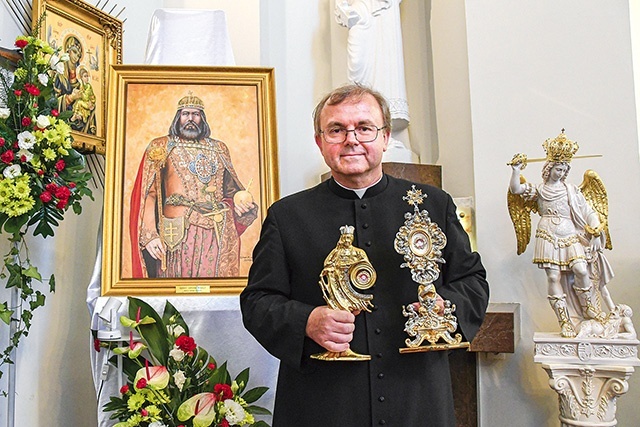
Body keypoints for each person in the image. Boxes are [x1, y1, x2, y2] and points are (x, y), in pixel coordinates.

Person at [240, 84, 489, 426]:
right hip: (323, 403)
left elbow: (471, 281)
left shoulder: (433, 204)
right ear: (320, 141)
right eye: (336, 129)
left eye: (364, 128)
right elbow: (257, 301)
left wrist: (444, 310)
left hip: (416, 397)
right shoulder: (287, 216)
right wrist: (307, 321)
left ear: (385, 137)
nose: (351, 139)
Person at [129, 93, 258, 278]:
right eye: (185, 114)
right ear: (178, 117)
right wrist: (150, 234)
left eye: (195, 114)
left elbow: (232, 190)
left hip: (214, 232)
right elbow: (149, 193)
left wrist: (241, 202)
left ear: (202, 118)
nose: (190, 119)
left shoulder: (219, 148)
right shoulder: (162, 146)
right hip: (178, 232)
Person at [507, 132, 615, 338]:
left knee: (581, 270)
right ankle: (564, 320)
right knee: (554, 275)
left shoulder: (572, 190)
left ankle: (589, 309)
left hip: (569, 233)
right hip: (547, 234)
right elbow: (516, 189)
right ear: (549, 168)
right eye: (557, 168)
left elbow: (588, 211)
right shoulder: (539, 190)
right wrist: (515, 170)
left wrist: (596, 228)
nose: (560, 172)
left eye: (564, 169)